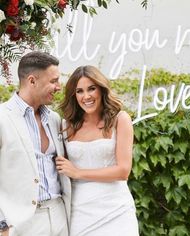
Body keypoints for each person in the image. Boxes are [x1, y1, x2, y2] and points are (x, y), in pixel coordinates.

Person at [56, 65, 139, 236]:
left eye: (91, 89)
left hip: (116, 209)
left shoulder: (120, 120)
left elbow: (123, 171)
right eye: (79, 91)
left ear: (101, 90)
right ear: (74, 95)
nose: (86, 96)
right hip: (80, 210)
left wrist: (78, 172)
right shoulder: (66, 126)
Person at [0, 51, 71, 236]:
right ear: (32, 81)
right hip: (22, 223)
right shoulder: (2, 117)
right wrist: (2, 225)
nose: (58, 87)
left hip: (60, 216)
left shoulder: (54, 119)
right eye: (54, 81)